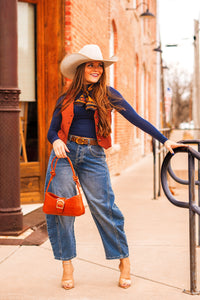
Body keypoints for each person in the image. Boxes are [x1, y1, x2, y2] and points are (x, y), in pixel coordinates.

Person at [44, 44, 182, 290]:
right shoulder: (65, 98)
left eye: (99, 65)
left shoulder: (108, 94)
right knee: (61, 210)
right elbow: (52, 130)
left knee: (105, 208)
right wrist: (55, 140)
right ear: (80, 68)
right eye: (91, 65)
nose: (96, 69)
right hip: (65, 155)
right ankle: (67, 265)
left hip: (93, 155)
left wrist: (163, 139)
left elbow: (135, 118)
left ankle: (123, 261)